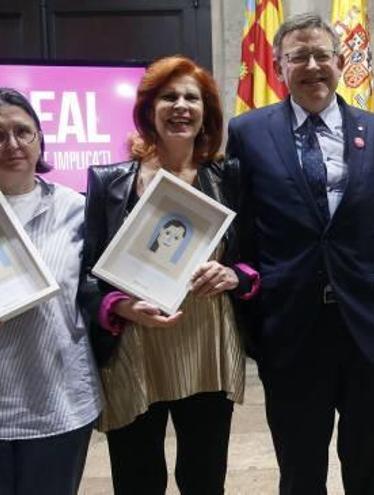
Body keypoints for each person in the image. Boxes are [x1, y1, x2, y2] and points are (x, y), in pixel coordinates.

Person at [225, 13, 374, 494]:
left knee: (369, 465)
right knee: (300, 466)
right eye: (297, 56)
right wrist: (248, 317)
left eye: (321, 55)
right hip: (289, 327)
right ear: (278, 65)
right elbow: (242, 230)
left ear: (339, 60)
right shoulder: (247, 132)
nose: (311, 66)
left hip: (367, 327)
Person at [79, 56, 257, 494]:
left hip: (207, 349)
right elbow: (85, 275)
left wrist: (235, 275)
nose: (181, 106)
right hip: (135, 349)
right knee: (137, 480)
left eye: (191, 98)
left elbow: (255, 259)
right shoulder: (110, 182)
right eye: (169, 97)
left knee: (204, 478)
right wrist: (118, 305)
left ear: (206, 113)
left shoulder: (228, 176)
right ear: (148, 110)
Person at [0, 88, 102, 494]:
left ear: (40, 138)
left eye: (22, 132)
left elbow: (97, 292)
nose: (11, 145)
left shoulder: (76, 208)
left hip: (60, 403)